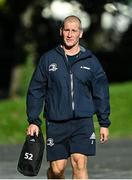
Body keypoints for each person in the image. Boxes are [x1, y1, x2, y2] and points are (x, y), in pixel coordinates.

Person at [26, 15, 111, 179]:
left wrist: (104, 123)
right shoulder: (48, 59)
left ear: (81, 33)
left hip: (82, 122)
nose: (70, 34)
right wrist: (33, 120)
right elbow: (36, 90)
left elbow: (101, 92)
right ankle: (51, 174)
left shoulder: (91, 61)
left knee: (79, 163)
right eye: (67, 30)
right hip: (56, 122)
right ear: (61, 31)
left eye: (74, 30)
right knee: (57, 170)